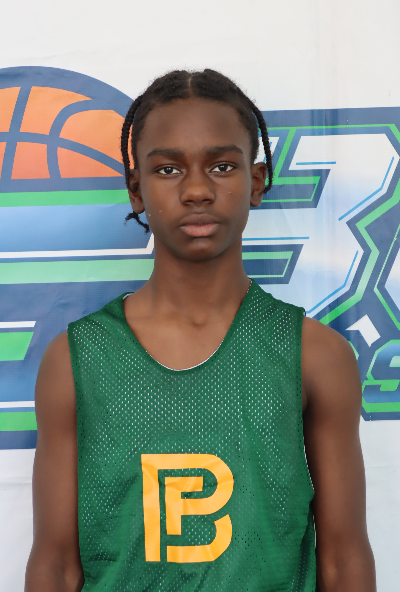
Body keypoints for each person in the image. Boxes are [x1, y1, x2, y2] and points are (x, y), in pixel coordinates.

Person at [25, 69, 376, 592]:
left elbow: (343, 562)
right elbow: (55, 565)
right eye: (168, 169)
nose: (196, 190)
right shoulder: (75, 360)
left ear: (256, 182)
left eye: (222, 166)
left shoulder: (315, 355)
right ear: (136, 189)